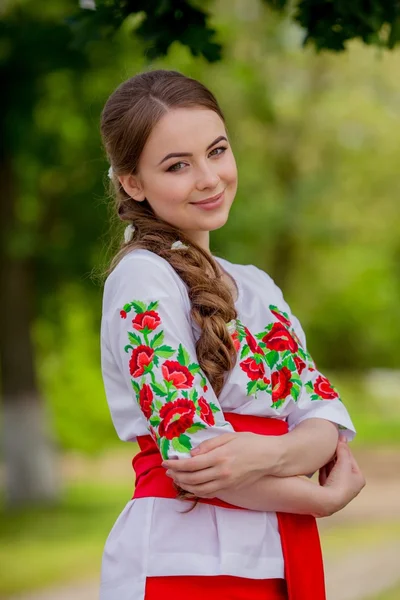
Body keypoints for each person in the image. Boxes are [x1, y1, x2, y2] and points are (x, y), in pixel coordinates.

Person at [99, 69, 365, 600]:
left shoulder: (257, 286)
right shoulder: (142, 275)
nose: (209, 178)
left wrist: (259, 454)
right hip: (187, 555)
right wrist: (317, 498)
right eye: (178, 165)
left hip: (277, 551)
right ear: (132, 182)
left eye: (216, 151)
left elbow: (323, 422)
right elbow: (196, 458)